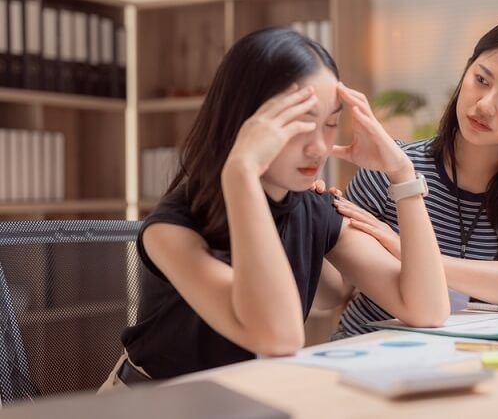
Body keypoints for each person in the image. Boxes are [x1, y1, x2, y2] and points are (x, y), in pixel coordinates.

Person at [101, 27, 449, 389]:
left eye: (330, 123)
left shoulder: (312, 206)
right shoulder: (171, 229)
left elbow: (427, 308)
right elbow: (278, 337)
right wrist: (242, 173)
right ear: (247, 122)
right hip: (153, 404)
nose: (318, 147)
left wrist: (402, 173)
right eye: (299, 123)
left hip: (244, 401)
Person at [327, 18, 498, 338]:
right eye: (481, 80)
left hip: (471, 367)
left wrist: (409, 252)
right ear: (467, 70)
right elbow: (334, 292)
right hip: (363, 353)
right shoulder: (391, 168)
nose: (484, 105)